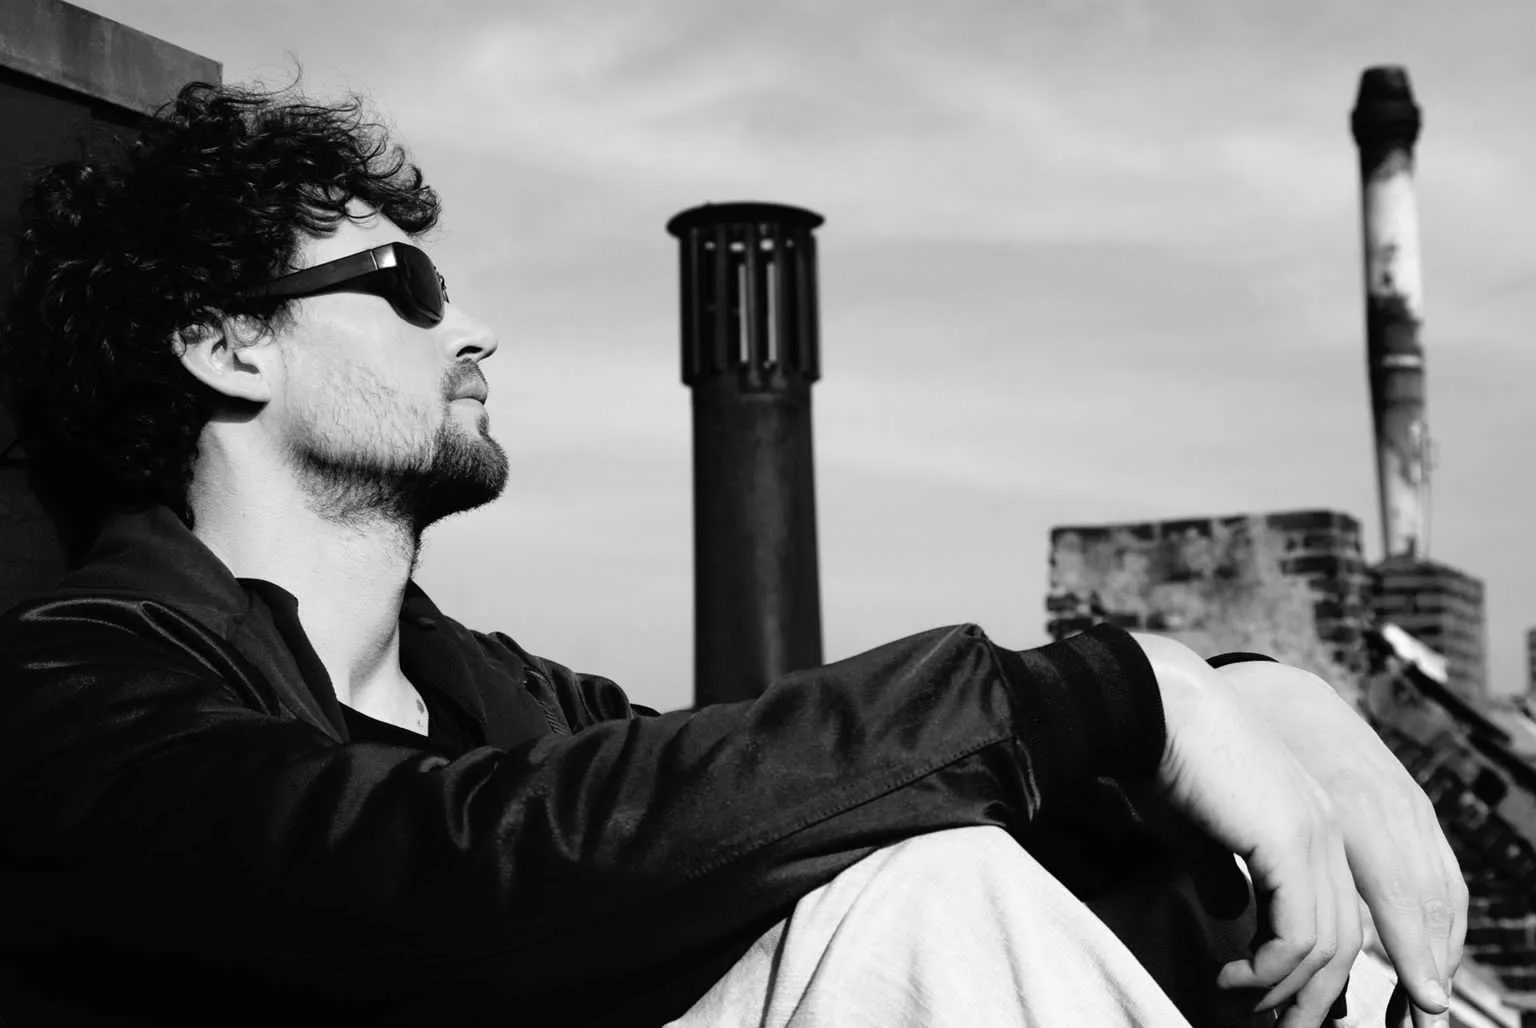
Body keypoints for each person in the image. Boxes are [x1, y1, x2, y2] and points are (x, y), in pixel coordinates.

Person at [0, 80, 1465, 1028]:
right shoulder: (75, 695)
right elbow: (444, 890)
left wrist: (1253, 705)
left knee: (932, 866)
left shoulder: (511, 707)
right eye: (402, 282)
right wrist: (1111, 693)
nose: (473, 327)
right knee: (913, 908)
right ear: (222, 343)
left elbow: (773, 798)